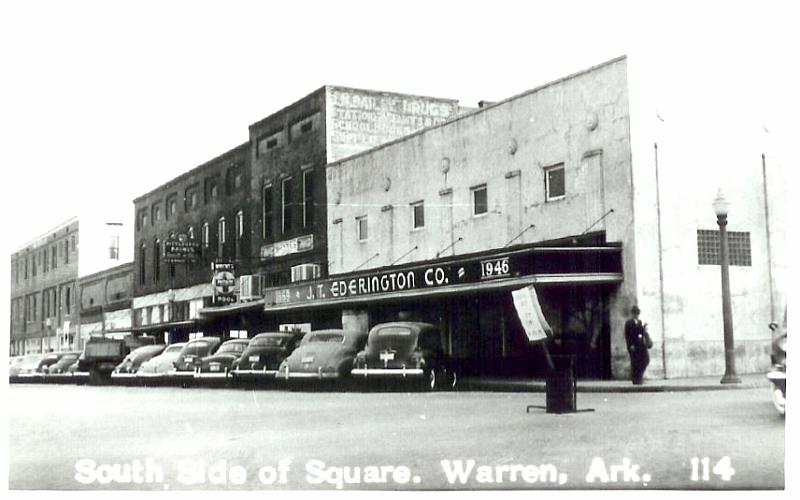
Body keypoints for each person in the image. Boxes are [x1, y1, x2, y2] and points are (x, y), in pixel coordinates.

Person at [625, 305, 651, 384]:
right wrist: (630, 345)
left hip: (640, 345)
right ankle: (635, 380)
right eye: (635, 313)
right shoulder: (629, 323)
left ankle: (640, 377)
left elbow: (641, 332)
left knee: (645, 360)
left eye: (637, 314)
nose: (636, 315)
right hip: (633, 345)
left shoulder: (639, 322)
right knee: (635, 362)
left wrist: (644, 327)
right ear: (632, 314)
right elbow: (627, 335)